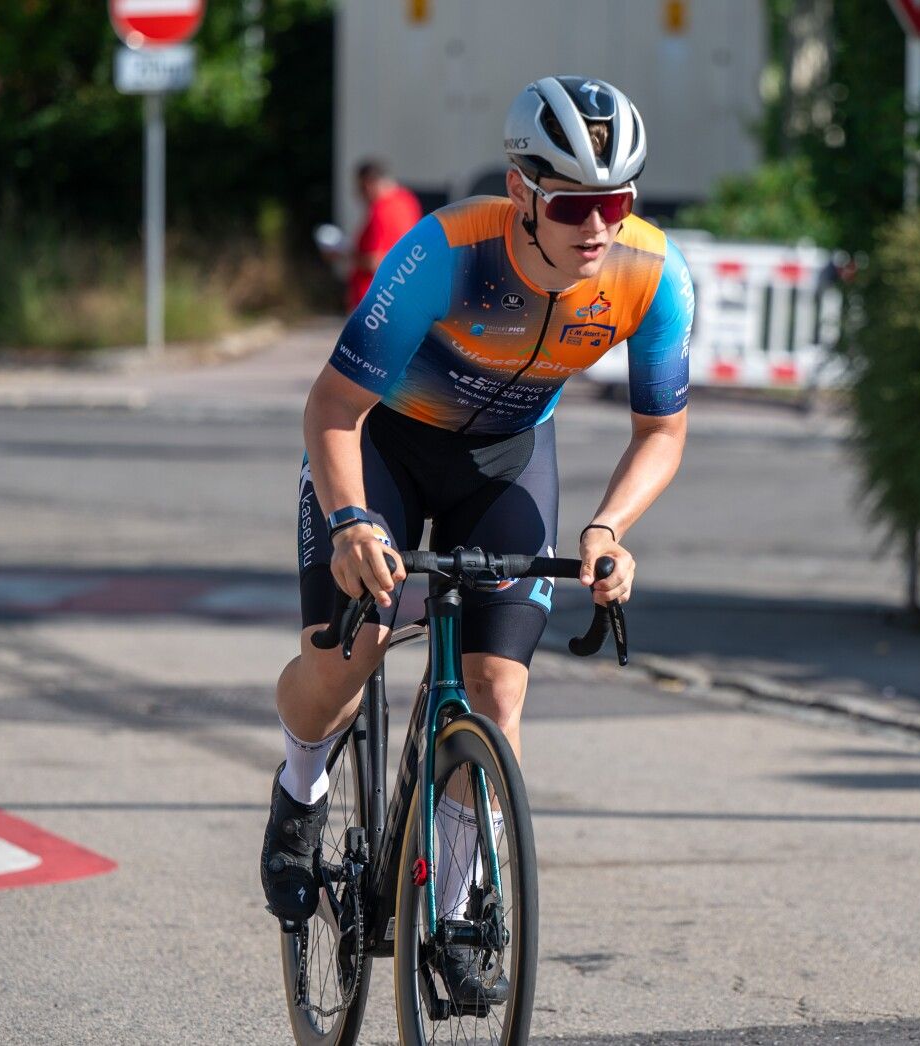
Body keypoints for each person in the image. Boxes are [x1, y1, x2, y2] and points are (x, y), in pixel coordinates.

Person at [261, 76, 693, 1005]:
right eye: (573, 204)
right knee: (348, 658)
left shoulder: (651, 274)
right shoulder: (446, 254)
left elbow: (661, 431)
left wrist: (609, 529)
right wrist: (351, 521)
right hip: (384, 447)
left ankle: (456, 911)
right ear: (521, 190)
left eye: (618, 200)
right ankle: (300, 787)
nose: (599, 226)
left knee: (496, 692)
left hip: (506, 462)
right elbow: (332, 406)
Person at [345, 159, 422, 309]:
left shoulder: (380, 211)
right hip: (398, 297)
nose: (360, 195)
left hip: (375, 303)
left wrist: (346, 255)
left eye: (360, 189)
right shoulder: (407, 200)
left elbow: (376, 262)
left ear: (368, 184)